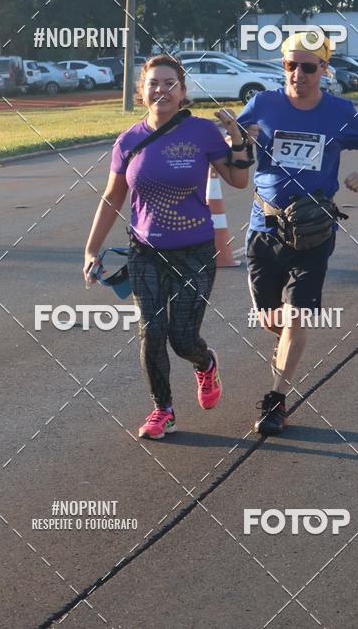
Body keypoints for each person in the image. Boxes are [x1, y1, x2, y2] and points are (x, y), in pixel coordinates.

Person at [83, 54, 253, 439]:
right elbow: (112, 198)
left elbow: (239, 181)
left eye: (169, 83)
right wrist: (91, 249)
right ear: (142, 91)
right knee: (152, 331)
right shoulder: (128, 141)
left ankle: (205, 363)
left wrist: (237, 136)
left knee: (183, 338)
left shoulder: (202, 133)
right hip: (145, 251)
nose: (161, 90)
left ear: (182, 91)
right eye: (153, 83)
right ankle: (163, 410)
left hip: (194, 251)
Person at [237, 32, 358, 435]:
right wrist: (236, 137)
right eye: (290, 65)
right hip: (265, 228)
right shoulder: (262, 103)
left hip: (314, 231)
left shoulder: (340, 111)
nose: (297, 73)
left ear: (324, 69)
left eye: (307, 66)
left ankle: (275, 400)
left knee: (297, 317)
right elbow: (234, 148)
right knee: (271, 318)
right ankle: (286, 341)